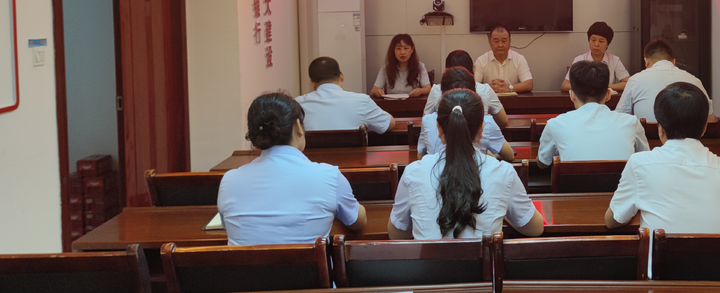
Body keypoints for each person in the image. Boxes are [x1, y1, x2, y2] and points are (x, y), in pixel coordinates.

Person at [389, 89, 544, 239]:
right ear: (481, 129)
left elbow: (396, 233)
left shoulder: (413, 172)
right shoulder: (503, 172)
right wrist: (504, 213)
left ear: (439, 129)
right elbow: (535, 228)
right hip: (484, 259)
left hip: (427, 259)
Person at [218, 92, 367, 245]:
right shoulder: (329, 177)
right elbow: (357, 221)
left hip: (245, 262)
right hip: (310, 262)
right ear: (298, 126)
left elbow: (227, 225)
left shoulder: (229, 181)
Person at [605, 82, 720, 233]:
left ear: (661, 129)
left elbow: (613, 220)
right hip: (715, 250)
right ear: (704, 128)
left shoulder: (639, 165)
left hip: (661, 250)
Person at [538, 60, 648, 168]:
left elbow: (543, 163)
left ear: (572, 95)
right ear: (608, 94)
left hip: (574, 181)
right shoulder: (631, 123)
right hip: (621, 181)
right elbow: (645, 160)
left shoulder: (555, 124)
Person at [420, 66, 514, 161]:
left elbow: (420, 156)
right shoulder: (486, 122)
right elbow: (509, 155)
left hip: (435, 170)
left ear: (442, 92)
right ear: (473, 92)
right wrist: (488, 157)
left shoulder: (428, 121)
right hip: (479, 170)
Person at [614, 39, 711, 123]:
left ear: (646, 62)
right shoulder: (694, 80)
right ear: (673, 62)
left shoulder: (635, 80)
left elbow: (619, 118)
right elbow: (710, 118)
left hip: (646, 138)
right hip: (689, 138)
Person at [296, 57, 395, 134]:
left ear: (312, 83)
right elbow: (388, 124)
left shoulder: (297, 104)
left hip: (311, 155)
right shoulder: (362, 101)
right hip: (354, 155)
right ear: (341, 76)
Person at [424, 50, 509, 129]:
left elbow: (425, 122)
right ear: (472, 70)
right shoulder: (485, 89)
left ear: (446, 71)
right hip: (480, 139)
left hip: (443, 139)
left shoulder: (436, 90)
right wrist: (488, 118)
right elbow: (503, 121)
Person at [561, 21, 630, 93]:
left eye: (601, 41)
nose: (596, 44)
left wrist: (606, 87)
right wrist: (586, 87)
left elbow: (628, 83)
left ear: (608, 44)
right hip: (584, 98)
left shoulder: (614, 60)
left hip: (606, 98)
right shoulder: (579, 60)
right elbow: (564, 85)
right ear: (589, 40)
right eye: (593, 40)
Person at [473, 25, 533, 94]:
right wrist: (487, 87)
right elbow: (473, 85)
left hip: (513, 100)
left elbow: (529, 84)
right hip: (489, 100)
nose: (500, 45)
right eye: (496, 41)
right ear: (490, 42)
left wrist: (509, 88)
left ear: (509, 42)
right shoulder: (481, 60)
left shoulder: (519, 59)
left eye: (504, 41)